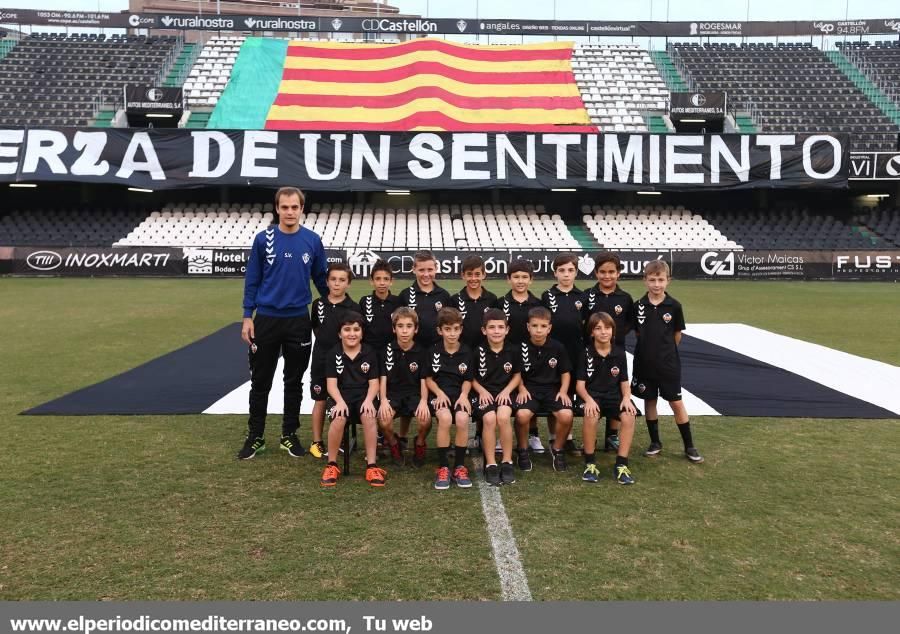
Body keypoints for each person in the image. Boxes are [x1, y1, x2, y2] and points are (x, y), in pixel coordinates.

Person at [238, 186, 327, 460]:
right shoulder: (262, 239)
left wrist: (337, 307)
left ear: (302, 209)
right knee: (260, 381)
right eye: (284, 207)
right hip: (266, 320)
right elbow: (252, 280)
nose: (290, 211)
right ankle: (256, 436)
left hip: (298, 321)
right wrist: (246, 316)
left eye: (294, 207)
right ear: (277, 208)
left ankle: (289, 435)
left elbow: (321, 280)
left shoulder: (312, 240)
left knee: (294, 381)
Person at [632, 260, 703, 464]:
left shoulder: (674, 306)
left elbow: (676, 335)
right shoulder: (638, 306)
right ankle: (655, 442)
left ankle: (689, 445)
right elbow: (639, 333)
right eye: (652, 280)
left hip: (668, 365)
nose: (656, 284)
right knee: (649, 400)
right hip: (644, 364)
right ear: (645, 280)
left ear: (668, 281)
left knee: (676, 402)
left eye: (661, 280)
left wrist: (664, 353)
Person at [320, 313, 383, 487]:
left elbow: (374, 383)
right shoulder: (333, 353)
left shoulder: (369, 352)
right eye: (347, 330)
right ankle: (332, 464)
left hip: (364, 396)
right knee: (339, 418)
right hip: (340, 395)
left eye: (356, 329)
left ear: (362, 333)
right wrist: (339, 402)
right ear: (340, 333)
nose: (352, 334)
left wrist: (370, 400)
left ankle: (371, 465)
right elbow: (331, 385)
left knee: (369, 416)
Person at [581, 252, 636, 453]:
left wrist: (615, 338)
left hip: (616, 353)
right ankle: (590, 439)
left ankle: (611, 435)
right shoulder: (588, 295)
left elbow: (630, 323)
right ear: (596, 273)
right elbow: (583, 322)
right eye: (602, 272)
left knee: (614, 389)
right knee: (594, 391)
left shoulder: (625, 298)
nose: (607, 276)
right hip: (592, 353)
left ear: (618, 273)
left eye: (611, 272)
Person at [575, 312, 637, 485]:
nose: (604, 332)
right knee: (591, 415)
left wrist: (626, 398)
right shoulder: (585, 353)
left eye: (608, 328)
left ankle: (621, 465)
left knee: (629, 416)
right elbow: (579, 385)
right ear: (591, 332)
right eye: (598, 328)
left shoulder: (619, 353)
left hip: (613, 396)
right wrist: (588, 399)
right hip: (591, 396)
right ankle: (590, 463)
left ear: (613, 331)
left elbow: (624, 381)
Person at [308, 263, 362, 458]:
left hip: (345, 362)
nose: (337, 284)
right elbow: (316, 328)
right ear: (327, 281)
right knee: (320, 399)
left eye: (342, 280)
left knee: (341, 399)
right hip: (321, 360)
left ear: (348, 284)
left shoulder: (354, 307)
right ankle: (317, 442)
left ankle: (338, 441)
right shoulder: (318, 304)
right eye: (333, 279)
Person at [514, 307, 574, 473]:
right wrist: (521, 388)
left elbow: (565, 373)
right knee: (522, 415)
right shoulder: (520, 347)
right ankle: (523, 450)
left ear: (549, 328)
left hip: (552, 390)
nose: (538, 330)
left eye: (542, 326)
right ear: (528, 327)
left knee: (566, 415)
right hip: (529, 390)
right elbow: (516, 373)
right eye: (534, 326)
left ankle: (557, 449)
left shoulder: (558, 347)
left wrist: (563, 391)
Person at [425, 307, 474, 490]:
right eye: (447, 329)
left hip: (459, 393)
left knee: (462, 419)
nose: (452, 333)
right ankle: (444, 467)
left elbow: (468, 378)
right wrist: (438, 393)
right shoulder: (433, 350)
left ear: (461, 329)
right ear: (440, 330)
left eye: (456, 329)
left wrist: (464, 395)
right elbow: (428, 378)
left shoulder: (467, 351)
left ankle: (460, 466)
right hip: (439, 394)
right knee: (445, 418)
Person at [471, 309, 521, 486]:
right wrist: (482, 391)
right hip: (482, 394)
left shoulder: (513, 350)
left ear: (507, 329)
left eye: (501, 327)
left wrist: (507, 391)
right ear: (484, 330)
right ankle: (491, 463)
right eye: (491, 327)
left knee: (503, 417)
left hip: (504, 393)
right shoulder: (477, 351)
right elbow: (471, 377)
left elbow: (517, 375)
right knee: (490, 419)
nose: (496, 331)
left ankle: (507, 461)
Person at [499, 259, 544, 454]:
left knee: (529, 394)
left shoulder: (537, 303)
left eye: (524, 277)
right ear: (508, 279)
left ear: (531, 280)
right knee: (503, 396)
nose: (520, 281)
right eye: (516, 277)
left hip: (531, 357)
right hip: (506, 357)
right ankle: (501, 436)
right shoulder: (500, 303)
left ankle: (533, 435)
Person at [541, 253, 584, 453]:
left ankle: (568, 436)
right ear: (555, 272)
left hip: (576, 353)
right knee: (555, 392)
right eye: (562, 270)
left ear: (576, 272)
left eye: (570, 270)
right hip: (553, 354)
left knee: (570, 396)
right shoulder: (547, 296)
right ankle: (553, 437)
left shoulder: (582, 297)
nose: (566, 275)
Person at [378, 307, 431, 467]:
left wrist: (423, 401)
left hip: (415, 394)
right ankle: (394, 444)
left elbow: (424, 380)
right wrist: (383, 401)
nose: (405, 331)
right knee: (384, 421)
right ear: (394, 329)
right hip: (393, 394)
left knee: (425, 419)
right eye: (400, 326)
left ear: (416, 329)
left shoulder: (422, 351)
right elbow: (383, 378)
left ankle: (420, 443)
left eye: (409, 326)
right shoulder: (386, 350)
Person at [399, 250, 452, 349]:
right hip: (413, 350)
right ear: (414, 269)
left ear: (436, 268)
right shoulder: (404, 295)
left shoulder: (444, 295)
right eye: (421, 270)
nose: (426, 274)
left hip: (438, 350)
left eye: (430, 269)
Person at [450, 255, 498, 350]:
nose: (473, 278)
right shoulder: (454, 300)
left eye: (477, 274)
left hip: (486, 351)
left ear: (483, 275)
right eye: (469, 274)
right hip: (462, 352)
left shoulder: (492, 299)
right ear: (463, 275)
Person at [360, 259, 402, 350]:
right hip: (370, 353)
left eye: (386, 279)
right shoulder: (364, 302)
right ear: (371, 281)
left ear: (391, 281)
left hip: (392, 352)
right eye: (378, 279)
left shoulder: (398, 302)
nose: (382, 283)